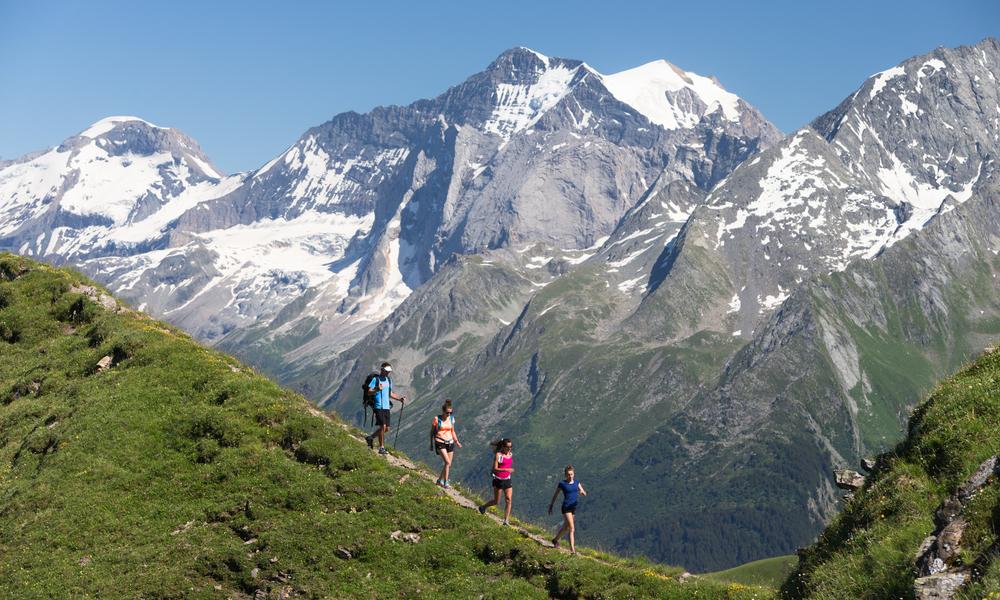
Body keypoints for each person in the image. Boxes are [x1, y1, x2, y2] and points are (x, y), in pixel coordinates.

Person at [364, 362, 406, 455]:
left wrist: (399, 399)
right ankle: (381, 448)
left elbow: (390, 393)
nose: (388, 373)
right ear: (382, 370)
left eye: (389, 371)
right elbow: (369, 392)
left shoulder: (388, 380)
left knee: (387, 428)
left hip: (386, 407)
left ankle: (370, 438)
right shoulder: (376, 379)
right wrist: (377, 389)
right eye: (386, 371)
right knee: (382, 426)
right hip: (378, 406)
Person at [549, 465, 587, 554]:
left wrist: (582, 492)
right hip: (566, 507)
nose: (570, 476)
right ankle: (572, 551)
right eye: (568, 475)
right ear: (565, 475)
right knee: (572, 528)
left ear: (574, 474)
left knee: (566, 527)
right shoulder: (562, 484)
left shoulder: (577, 482)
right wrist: (551, 505)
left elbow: (583, 491)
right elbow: (556, 494)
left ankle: (555, 540)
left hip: (573, 507)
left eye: (571, 474)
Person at [477, 439, 514, 526]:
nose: (509, 449)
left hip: (507, 479)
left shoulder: (510, 455)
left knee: (508, 499)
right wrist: (506, 469)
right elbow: (494, 469)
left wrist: (508, 471)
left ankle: (506, 521)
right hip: (498, 479)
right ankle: (483, 507)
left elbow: (508, 464)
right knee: (496, 502)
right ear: (503, 447)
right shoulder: (498, 455)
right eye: (508, 447)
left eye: (511, 447)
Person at [429, 400, 462, 488]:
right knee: (447, 462)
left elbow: (453, 431)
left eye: (450, 413)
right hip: (440, 441)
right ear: (443, 411)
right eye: (447, 413)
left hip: (450, 442)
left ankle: (439, 480)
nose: (449, 414)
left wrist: (457, 441)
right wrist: (431, 444)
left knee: (448, 464)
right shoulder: (437, 419)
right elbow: (432, 432)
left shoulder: (451, 419)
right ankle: (445, 482)